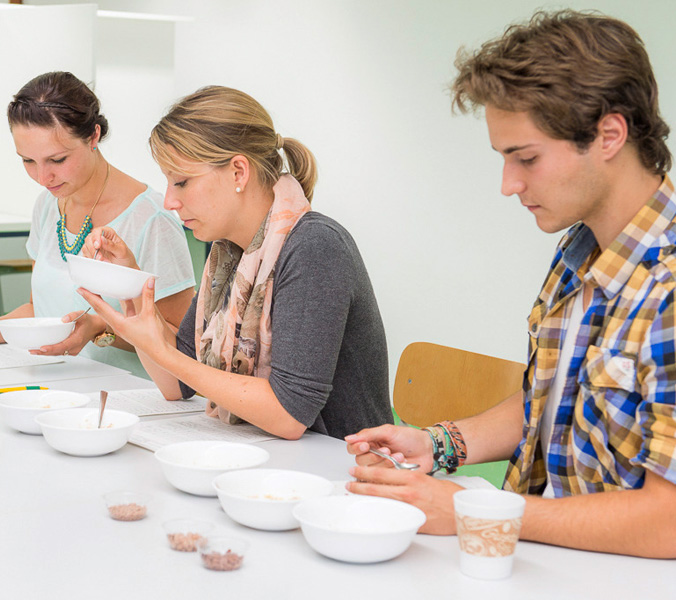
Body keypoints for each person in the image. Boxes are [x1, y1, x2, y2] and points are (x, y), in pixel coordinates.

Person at [346, 10, 676, 559]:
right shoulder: (578, 252)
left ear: (609, 135)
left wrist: (470, 512)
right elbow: (549, 398)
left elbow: (668, 522)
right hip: (536, 560)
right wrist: (438, 444)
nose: (509, 184)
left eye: (526, 158)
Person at [78, 85, 393, 440]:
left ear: (238, 172)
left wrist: (163, 353)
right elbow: (176, 383)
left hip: (342, 469)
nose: (169, 201)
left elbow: (288, 414)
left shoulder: (315, 247)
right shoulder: (229, 253)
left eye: (181, 182)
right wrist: (130, 287)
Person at [0, 72, 195, 375]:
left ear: (93, 136)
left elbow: (179, 343)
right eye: (28, 161)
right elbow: (40, 311)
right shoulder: (49, 204)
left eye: (57, 160)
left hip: (130, 396)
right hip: (58, 386)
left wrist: (100, 330)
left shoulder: (152, 219)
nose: (43, 178)